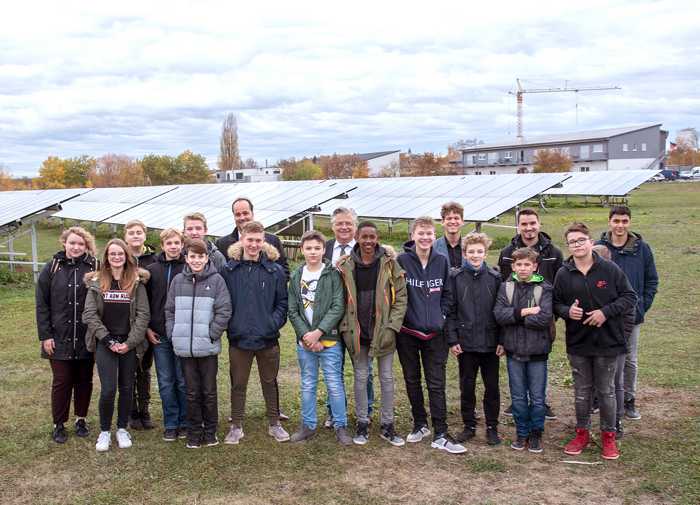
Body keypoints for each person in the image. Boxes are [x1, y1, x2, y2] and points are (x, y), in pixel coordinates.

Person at [554, 222, 636, 460]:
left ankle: (608, 437)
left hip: (608, 341)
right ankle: (582, 434)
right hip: (579, 342)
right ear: (568, 246)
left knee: (606, 390)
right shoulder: (563, 273)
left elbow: (629, 297)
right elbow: (555, 303)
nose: (577, 245)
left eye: (581, 240)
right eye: (572, 242)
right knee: (582, 392)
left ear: (590, 241)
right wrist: (568, 311)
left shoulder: (609, 269)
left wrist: (605, 312)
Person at [214, 198, 291, 422]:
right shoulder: (229, 268)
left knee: (270, 379)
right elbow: (224, 299)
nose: (254, 244)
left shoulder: (274, 269)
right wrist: (232, 323)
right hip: (239, 334)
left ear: (264, 241)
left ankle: (274, 419)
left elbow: (282, 302)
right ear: (242, 241)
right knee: (238, 382)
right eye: (250, 240)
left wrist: (271, 321)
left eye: (258, 240)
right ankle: (236, 422)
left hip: (266, 332)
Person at [396, 216, 465, 454]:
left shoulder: (442, 261)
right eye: (420, 233)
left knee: (436, 383)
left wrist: (442, 316)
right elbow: (394, 294)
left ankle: (441, 432)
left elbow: (448, 294)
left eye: (429, 233)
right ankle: (420, 424)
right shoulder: (401, 260)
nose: (425, 237)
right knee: (412, 380)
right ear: (412, 235)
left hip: (436, 333)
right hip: (407, 332)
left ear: (433, 236)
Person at [337, 221, 408, 447]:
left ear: (377, 239)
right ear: (357, 237)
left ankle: (387, 424)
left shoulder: (389, 264)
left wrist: (392, 327)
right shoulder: (345, 265)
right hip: (358, 332)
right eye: (364, 236)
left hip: (383, 331)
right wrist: (346, 327)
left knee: (386, 377)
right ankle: (362, 422)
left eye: (372, 237)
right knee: (360, 377)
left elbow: (401, 299)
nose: (368, 241)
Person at [82, 238, 150, 452]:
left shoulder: (136, 282)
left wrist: (129, 343)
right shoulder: (96, 282)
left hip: (129, 344)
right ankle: (104, 431)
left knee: (127, 388)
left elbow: (143, 315)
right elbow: (89, 315)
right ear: (107, 258)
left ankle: (122, 428)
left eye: (120, 253)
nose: (117, 257)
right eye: (112, 254)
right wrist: (108, 340)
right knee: (109, 389)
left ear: (126, 256)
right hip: (106, 343)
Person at [165, 238, 231, 449]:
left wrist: (212, 334)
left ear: (206, 258)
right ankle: (194, 432)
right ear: (186, 258)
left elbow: (224, 310)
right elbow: (169, 310)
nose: (196, 260)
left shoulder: (217, 280)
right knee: (191, 392)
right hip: (185, 348)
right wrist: (174, 333)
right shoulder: (177, 281)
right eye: (192, 256)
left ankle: (210, 432)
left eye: (200, 256)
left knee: (209, 391)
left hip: (207, 347)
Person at [498, 208, 562, 420]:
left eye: (532, 223)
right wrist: (517, 313)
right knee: (516, 356)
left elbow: (559, 286)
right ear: (518, 226)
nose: (529, 228)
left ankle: (539, 401)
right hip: (515, 317)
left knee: (539, 358)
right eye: (524, 224)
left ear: (539, 224)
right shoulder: (507, 253)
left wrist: (550, 314)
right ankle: (519, 401)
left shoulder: (553, 253)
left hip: (543, 314)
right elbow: (504, 286)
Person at [288, 231, 351, 445]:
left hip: (329, 340)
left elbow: (337, 306)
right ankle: (308, 425)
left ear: (324, 250)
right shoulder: (297, 276)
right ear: (302, 250)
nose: (313, 252)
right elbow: (293, 310)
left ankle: (340, 425)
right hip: (305, 342)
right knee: (308, 384)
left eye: (317, 248)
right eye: (308, 248)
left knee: (334, 383)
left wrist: (318, 333)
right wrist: (306, 336)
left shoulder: (331, 273)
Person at [36, 226, 98, 443]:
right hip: (58, 336)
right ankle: (59, 424)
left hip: (86, 336)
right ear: (64, 243)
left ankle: (81, 419)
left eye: (80, 244)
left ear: (86, 246)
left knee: (84, 380)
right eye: (72, 243)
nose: (76, 247)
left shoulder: (94, 268)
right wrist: (45, 335)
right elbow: (42, 304)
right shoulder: (52, 267)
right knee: (62, 380)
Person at [596, 205, 658, 420]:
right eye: (616, 221)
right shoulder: (599, 247)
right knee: (601, 357)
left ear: (629, 222)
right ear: (609, 221)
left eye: (624, 221)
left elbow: (652, 280)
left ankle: (628, 399)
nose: (620, 225)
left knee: (629, 358)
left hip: (631, 315)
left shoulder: (642, 248)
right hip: (603, 314)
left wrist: (642, 306)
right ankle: (600, 396)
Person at [494, 247, 553, 453]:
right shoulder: (506, 287)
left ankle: (536, 432)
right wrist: (526, 312)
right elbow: (499, 315)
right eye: (519, 264)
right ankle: (522, 432)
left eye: (527, 264)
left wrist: (515, 318)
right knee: (518, 396)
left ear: (535, 266)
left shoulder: (544, 288)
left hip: (538, 350)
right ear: (513, 266)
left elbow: (545, 318)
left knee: (537, 397)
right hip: (514, 350)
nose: (523, 268)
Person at [446, 232, 502, 446]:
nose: (476, 255)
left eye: (480, 251)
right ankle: (469, 425)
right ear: (464, 253)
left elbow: (501, 311)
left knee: (492, 386)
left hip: (490, 343)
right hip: (466, 342)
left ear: (486, 253)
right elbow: (451, 311)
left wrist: (502, 340)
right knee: (467, 386)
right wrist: (452, 339)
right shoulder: (456, 278)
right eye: (471, 252)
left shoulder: (495, 278)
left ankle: (492, 426)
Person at [322, 206, 374, 428]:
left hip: (358, 320)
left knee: (364, 369)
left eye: (348, 223)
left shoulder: (366, 249)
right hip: (331, 319)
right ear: (332, 226)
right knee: (333, 367)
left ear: (355, 226)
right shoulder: (324, 248)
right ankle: (334, 411)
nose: (344, 227)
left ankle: (367, 409)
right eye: (339, 223)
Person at [145, 228, 188, 441]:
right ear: (163, 246)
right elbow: (144, 303)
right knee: (165, 380)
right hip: (159, 334)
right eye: (169, 243)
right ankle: (170, 422)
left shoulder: (188, 268)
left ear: (182, 245)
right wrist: (147, 328)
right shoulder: (152, 270)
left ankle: (184, 421)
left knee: (182, 379)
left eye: (177, 243)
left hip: (182, 333)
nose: (173, 246)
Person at [592, 244, 636, 439]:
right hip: (592, 341)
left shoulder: (618, 280)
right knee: (597, 382)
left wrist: (621, 338)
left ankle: (616, 421)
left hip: (615, 342)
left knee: (615, 382)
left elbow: (628, 314)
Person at [124, 219, 157, 430]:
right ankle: (131, 411)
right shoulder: (119, 256)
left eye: (139, 232)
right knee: (127, 369)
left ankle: (144, 410)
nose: (135, 235)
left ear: (144, 235)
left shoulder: (153, 259)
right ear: (125, 236)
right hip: (124, 322)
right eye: (131, 232)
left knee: (144, 369)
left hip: (147, 323)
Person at [215, 197, 289, 279]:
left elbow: (284, 272)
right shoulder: (222, 244)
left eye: (245, 213)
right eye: (238, 214)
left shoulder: (273, 241)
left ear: (252, 214)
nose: (242, 218)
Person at [434, 201, 465, 269]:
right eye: (449, 218)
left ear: (462, 221)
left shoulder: (470, 246)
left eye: (456, 218)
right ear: (442, 222)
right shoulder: (433, 247)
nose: (453, 222)